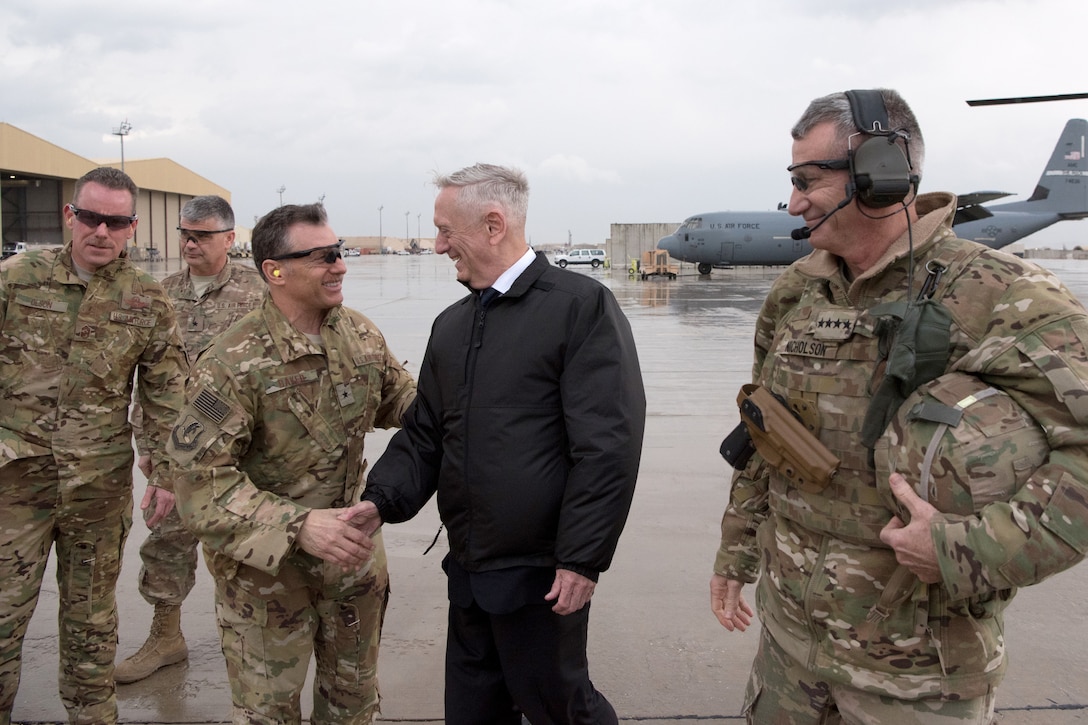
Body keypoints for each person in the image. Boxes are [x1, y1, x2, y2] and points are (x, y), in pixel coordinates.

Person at [710, 88, 1088, 723]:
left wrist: (965, 549)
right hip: (790, 649)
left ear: (880, 175)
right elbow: (760, 434)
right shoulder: (796, 293)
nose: (796, 201)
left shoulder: (1006, 297)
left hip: (916, 674)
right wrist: (735, 556)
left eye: (808, 180)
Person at [353, 163, 646, 724]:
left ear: (493, 224)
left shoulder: (578, 308)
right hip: (468, 569)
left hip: (541, 575)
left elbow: (608, 446)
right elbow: (426, 434)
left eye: (446, 231)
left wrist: (582, 557)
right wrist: (379, 501)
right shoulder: (453, 324)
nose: (437, 245)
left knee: (561, 707)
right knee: (472, 712)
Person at [169, 203, 415, 724]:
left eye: (340, 252)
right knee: (268, 714)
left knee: (354, 705)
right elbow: (198, 487)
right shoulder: (230, 363)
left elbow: (406, 403)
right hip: (267, 582)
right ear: (274, 270)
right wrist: (299, 526)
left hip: (352, 563)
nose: (341, 266)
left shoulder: (359, 335)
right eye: (324, 256)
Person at [0, 167, 188, 724]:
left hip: (96, 489)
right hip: (14, 486)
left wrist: (165, 475)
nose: (101, 231)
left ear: (131, 227)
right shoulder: (16, 278)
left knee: (91, 621)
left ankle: (92, 716)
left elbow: (165, 393)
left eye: (116, 221)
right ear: (69, 216)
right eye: (90, 217)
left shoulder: (148, 300)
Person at [115, 195, 265, 683]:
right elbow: (142, 375)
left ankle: (250, 638)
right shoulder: (161, 292)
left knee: (244, 545)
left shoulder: (259, 291)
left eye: (201, 235)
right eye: (185, 233)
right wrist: (148, 446)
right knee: (166, 541)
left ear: (228, 237)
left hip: (240, 447)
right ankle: (166, 636)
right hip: (175, 446)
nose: (189, 242)